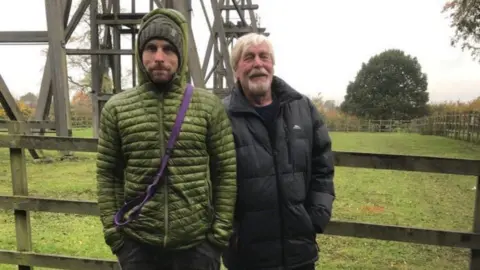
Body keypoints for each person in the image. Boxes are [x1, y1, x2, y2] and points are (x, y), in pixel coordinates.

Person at [96, 8, 237, 270]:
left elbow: (225, 170)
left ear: (180, 56)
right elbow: (108, 174)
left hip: (196, 248)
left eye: (168, 49)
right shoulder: (117, 108)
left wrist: (217, 238)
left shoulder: (207, 105)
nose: (159, 57)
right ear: (140, 54)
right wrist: (116, 238)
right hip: (138, 247)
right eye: (151, 48)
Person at [222, 32, 336, 270]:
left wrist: (317, 215)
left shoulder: (302, 107)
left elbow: (322, 164)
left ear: (272, 65)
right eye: (248, 57)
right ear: (236, 70)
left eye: (264, 57)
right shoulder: (221, 117)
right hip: (247, 257)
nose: (258, 64)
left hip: (299, 254)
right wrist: (231, 234)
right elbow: (210, 181)